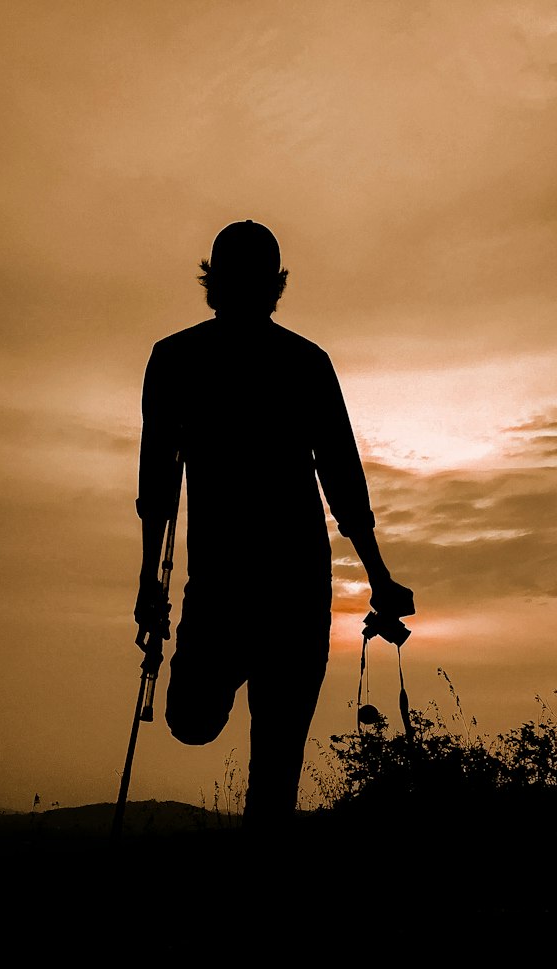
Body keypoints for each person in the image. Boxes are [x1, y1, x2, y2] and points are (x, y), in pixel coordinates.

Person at [135, 220, 414, 828]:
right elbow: (159, 487)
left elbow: (342, 480)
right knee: (196, 724)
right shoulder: (278, 363)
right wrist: (379, 577)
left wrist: (379, 577)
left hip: (264, 592)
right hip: (268, 590)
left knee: (269, 778)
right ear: (273, 286)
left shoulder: (190, 360)